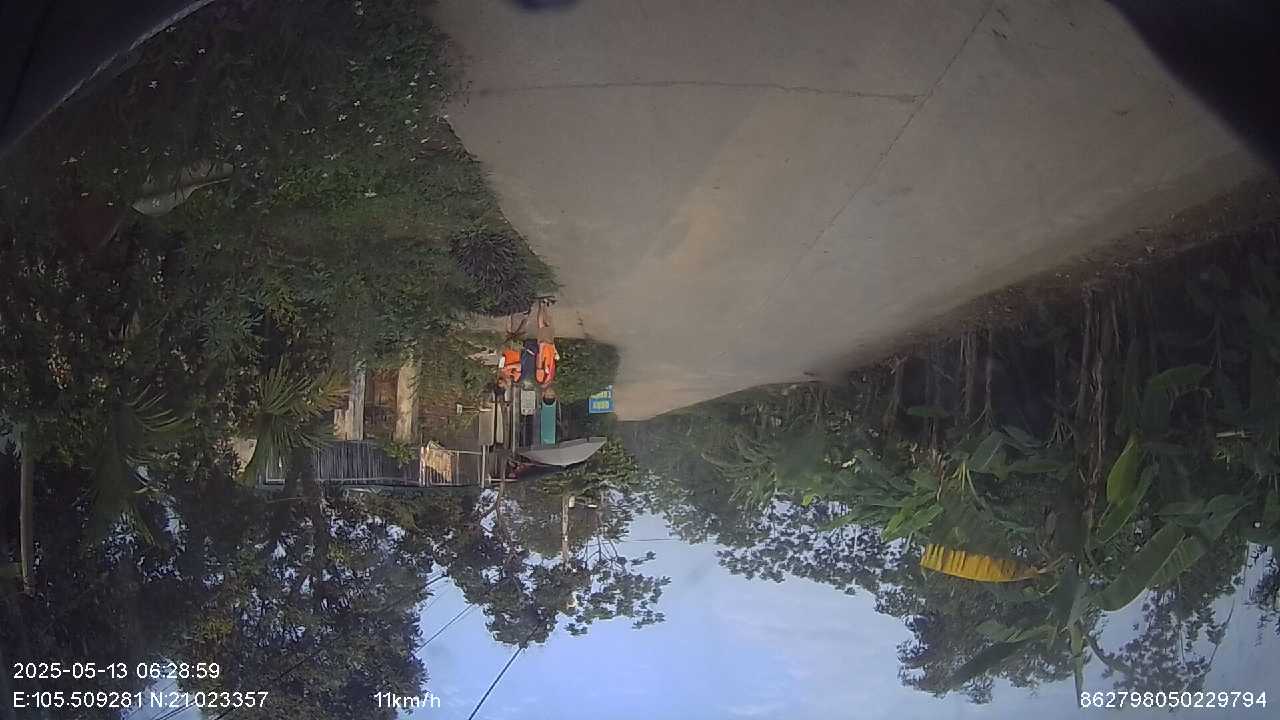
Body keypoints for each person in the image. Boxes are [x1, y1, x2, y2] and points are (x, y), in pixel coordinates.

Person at [534, 298, 559, 387]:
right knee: (548, 325)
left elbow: (539, 363)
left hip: (544, 347)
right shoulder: (549, 378)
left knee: (542, 326)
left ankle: (542, 305)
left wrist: (541, 346)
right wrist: (555, 352)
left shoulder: (541, 379)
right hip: (549, 348)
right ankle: (544, 305)